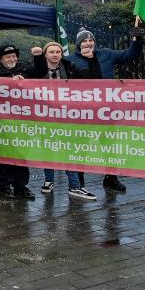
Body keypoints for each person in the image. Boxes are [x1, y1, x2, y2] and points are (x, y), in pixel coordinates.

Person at [69, 25, 145, 192]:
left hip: (105, 110)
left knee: (109, 144)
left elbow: (130, 54)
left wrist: (137, 40)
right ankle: (79, 180)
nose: (88, 43)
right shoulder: (70, 60)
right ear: (78, 44)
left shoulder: (107, 54)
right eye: (84, 41)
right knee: (81, 145)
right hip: (82, 112)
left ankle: (111, 178)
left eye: (91, 40)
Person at [29, 41, 101, 200]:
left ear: (61, 54)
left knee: (69, 150)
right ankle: (49, 181)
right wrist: (36, 59)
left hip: (67, 117)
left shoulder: (70, 68)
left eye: (58, 52)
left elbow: (94, 80)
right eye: (51, 52)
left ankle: (74, 186)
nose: (55, 54)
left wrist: (92, 60)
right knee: (47, 149)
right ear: (45, 54)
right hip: (45, 117)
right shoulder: (37, 69)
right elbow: (25, 81)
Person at [0, 44, 35, 200]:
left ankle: (21, 186)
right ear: (1, 59)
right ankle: (4, 187)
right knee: (4, 154)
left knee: (22, 154)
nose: (12, 59)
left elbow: (39, 76)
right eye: (8, 57)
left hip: (22, 120)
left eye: (14, 56)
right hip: (2, 120)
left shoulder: (24, 68)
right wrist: (10, 82)